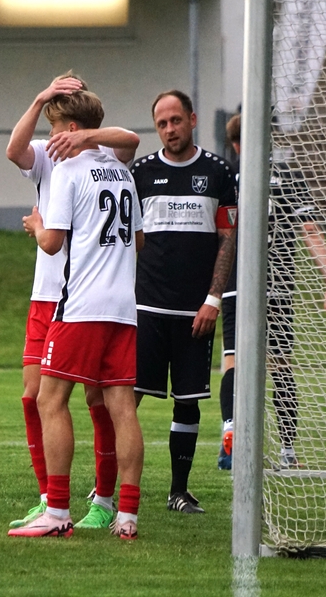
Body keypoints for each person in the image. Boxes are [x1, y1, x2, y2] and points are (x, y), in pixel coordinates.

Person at [4, 73, 140, 531]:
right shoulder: (116, 172)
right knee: (98, 404)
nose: (49, 136)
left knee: (63, 399)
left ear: (73, 129)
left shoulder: (73, 166)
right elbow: (138, 242)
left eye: (55, 126)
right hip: (104, 303)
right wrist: (41, 96)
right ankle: (114, 511)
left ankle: (71, 507)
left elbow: (52, 242)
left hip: (78, 299)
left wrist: (37, 227)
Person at [131, 89, 236, 514]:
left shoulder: (218, 172)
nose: (169, 129)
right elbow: (127, 240)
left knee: (188, 401)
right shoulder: (140, 173)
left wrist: (213, 299)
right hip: (147, 307)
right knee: (126, 399)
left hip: (197, 311)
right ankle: (108, 489)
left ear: (192, 120)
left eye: (176, 120)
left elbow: (227, 239)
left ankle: (179, 492)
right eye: (161, 123)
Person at [217, 114, 326, 471]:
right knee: (281, 365)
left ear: (235, 144)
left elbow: (217, 235)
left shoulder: (226, 176)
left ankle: (230, 437)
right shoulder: (289, 178)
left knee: (233, 361)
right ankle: (287, 450)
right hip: (278, 285)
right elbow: (310, 229)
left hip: (236, 284)